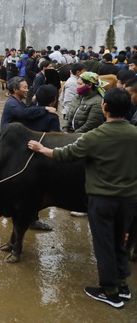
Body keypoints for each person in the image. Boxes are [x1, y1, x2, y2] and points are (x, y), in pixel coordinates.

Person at [28, 88, 137, 309]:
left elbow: (64, 155)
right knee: (120, 242)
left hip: (103, 200)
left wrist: (41, 149)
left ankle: (110, 292)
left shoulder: (95, 136)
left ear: (104, 107)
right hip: (129, 201)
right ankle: (123, 285)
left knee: (104, 244)